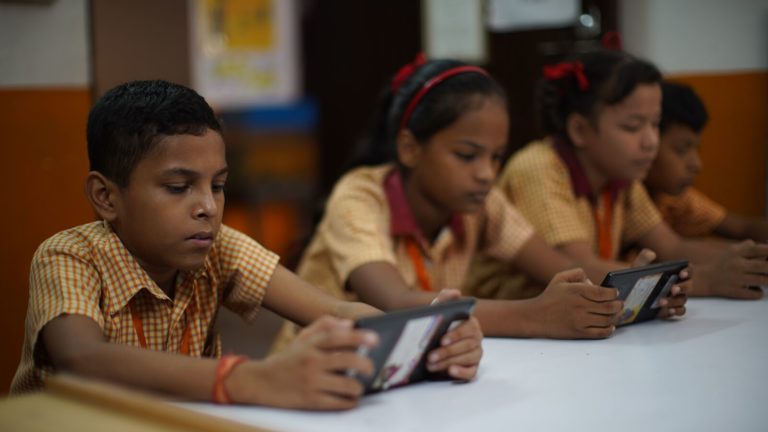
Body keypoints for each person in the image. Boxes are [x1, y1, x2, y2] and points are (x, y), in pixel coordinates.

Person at [10, 80, 482, 410]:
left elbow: (333, 310)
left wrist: (433, 337)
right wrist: (250, 378)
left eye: (217, 185)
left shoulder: (216, 246)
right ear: (105, 196)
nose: (208, 207)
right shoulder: (69, 256)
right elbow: (84, 360)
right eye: (179, 187)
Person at [271, 54, 686, 352]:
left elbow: (562, 270)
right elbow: (392, 303)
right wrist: (535, 316)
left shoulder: (481, 202)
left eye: (496, 157)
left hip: (415, 367)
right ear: (410, 148)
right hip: (317, 378)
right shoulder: (360, 196)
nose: (487, 173)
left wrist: (635, 293)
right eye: (467, 155)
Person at [467, 49, 767, 302]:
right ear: (580, 130)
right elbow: (578, 266)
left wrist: (749, 262)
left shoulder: (620, 175)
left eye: (655, 124)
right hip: (508, 332)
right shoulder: (538, 168)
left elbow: (672, 247)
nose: (650, 141)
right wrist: (705, 281)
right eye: (633, 127)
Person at [643, 81, 768, 241]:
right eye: (681, 150)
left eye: (696, 149)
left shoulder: (676, 200)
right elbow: (673, 249)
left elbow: (743, 227)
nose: (697, 165)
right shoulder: (624, 199)